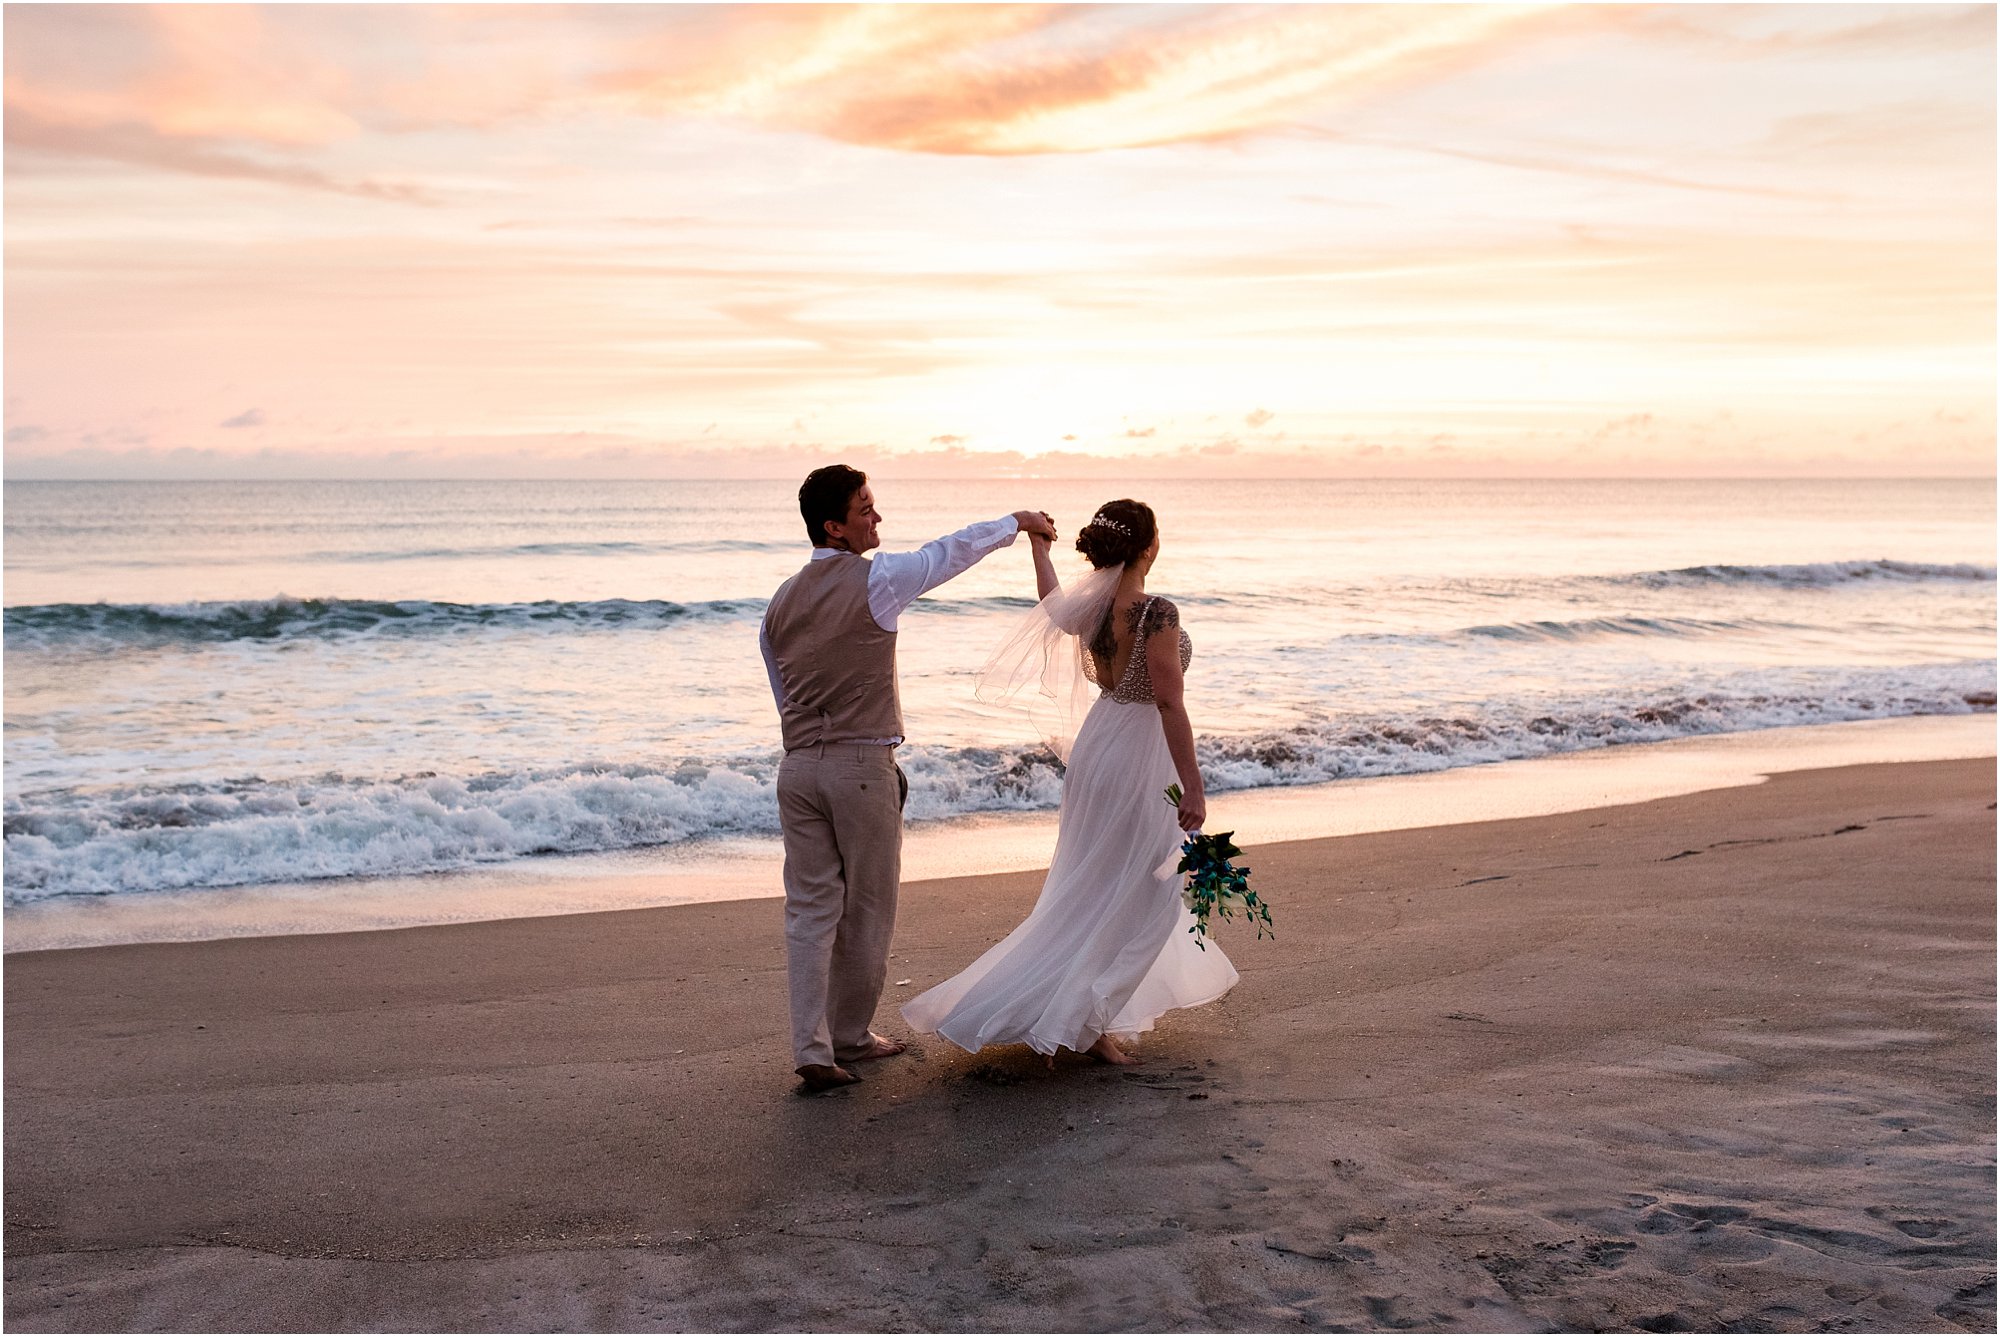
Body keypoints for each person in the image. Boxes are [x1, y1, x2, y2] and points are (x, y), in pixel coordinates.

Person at [901, 498, 1237, 1065]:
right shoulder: (1157, 612)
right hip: (1137, 754)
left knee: (1091, 884)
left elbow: (1050, 605)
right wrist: (1195, 787)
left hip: (1099, 744)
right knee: (1148, 890)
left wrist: (1039, 547)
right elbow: (1168, 702)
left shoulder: (1097, 606)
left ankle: (1080, 1012)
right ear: (1148, 545)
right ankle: (1085, 1019)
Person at [761, 465, 1057, 1092]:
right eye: (865, 509)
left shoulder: (779, 603)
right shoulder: (878, 579)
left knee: (810, 911)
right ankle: (849, 1036)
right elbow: (947, 554)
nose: (877, 518)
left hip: (796, 769)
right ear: (833, 527)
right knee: (868, 907)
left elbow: (782, 690)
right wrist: (1017, 524)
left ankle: (810, 1046)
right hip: (860, 767)